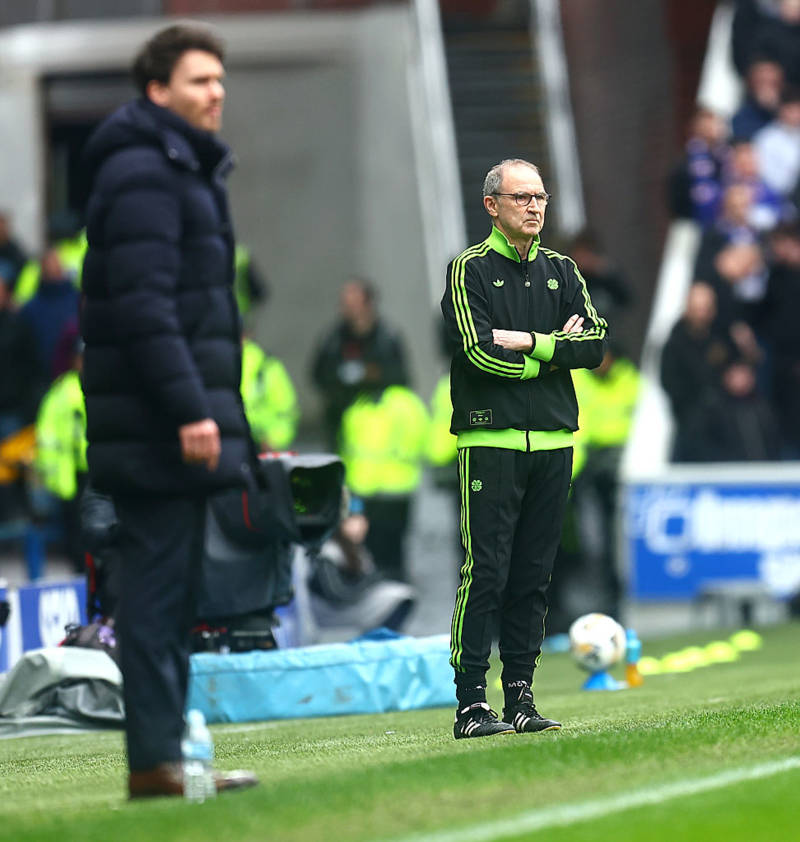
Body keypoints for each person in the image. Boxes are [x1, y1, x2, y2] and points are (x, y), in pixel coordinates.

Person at [80, 23, 257, 799]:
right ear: (158, 91)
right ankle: (154, 766)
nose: (215, 93)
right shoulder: (145, 172)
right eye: (198, 81)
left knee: (176, 595)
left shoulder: (180, 167)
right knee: (155, 598)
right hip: (157, 427)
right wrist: (190, 408)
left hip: (166, 421)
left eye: (220, 79)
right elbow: (146, 306)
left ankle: (167, 759)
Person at [441, 158, 607, 738]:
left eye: (541, 197)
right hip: (490, 441)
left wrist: (530, 343)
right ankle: (469, 703)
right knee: (486, 570)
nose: (535, 207)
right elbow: (477, 353)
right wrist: (552, 350)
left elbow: (595, 345)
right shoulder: (468, 270)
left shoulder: (564, 270)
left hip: (555, 443)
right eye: (522, 198)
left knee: (534, 573)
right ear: (492, 206)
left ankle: (520, 697)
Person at [311, 279, 409, 449]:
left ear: (368, 304)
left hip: (380, 426)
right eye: (344, 303)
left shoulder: (387, 338)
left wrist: (372, 375)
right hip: (341, 423)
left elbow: (401, 377)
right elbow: (318, 374)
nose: (347, 308)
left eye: (353, 303)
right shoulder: (333, 339)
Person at [240, 334, 299, 452]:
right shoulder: (266, 363)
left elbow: (286, 413)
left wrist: (274, 440)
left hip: (261, 447)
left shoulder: (264, 364)